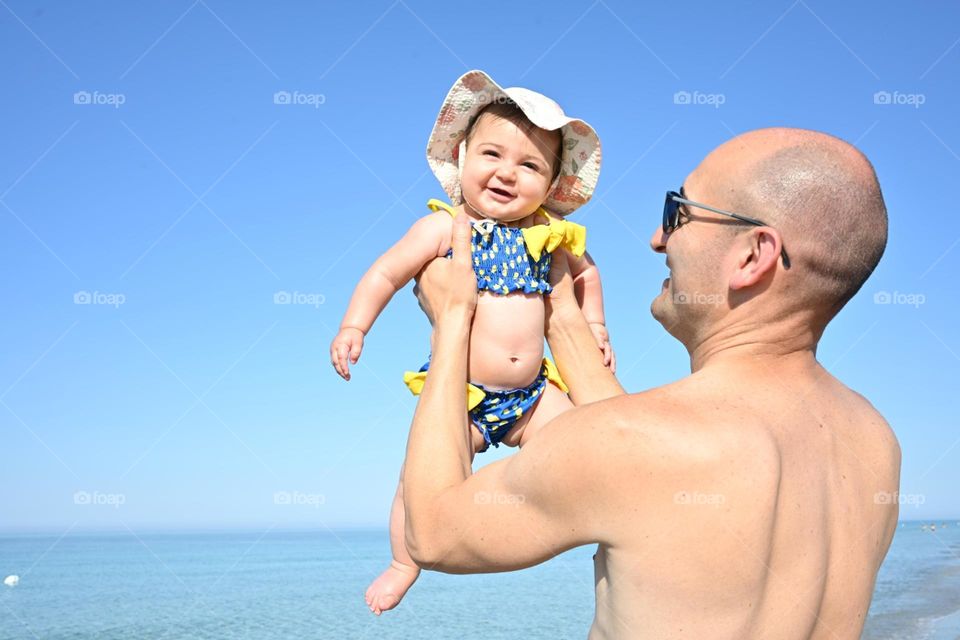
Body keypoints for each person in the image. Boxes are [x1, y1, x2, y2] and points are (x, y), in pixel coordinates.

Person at [402, 127, 901, 639]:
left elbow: (434, 532)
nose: (658, 238)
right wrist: (559, 308)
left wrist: (454, 319)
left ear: (753, 256)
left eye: (677, 212)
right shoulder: (873, 440)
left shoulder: (637, 442)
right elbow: (641, 460)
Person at [329, 70, 613, 614]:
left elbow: (588, 277)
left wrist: (596, 328)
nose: (507, 174)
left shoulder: (549, 234)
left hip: (533, 393)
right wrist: (354, 326)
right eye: (492, 155)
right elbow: (385, 274)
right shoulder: (443, 228)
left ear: (553, 183)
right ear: (462, 157)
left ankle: (602, 529)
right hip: (465, 392)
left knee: (590, 446)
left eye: (529, 165)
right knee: (418, 479)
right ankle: (403, 561)